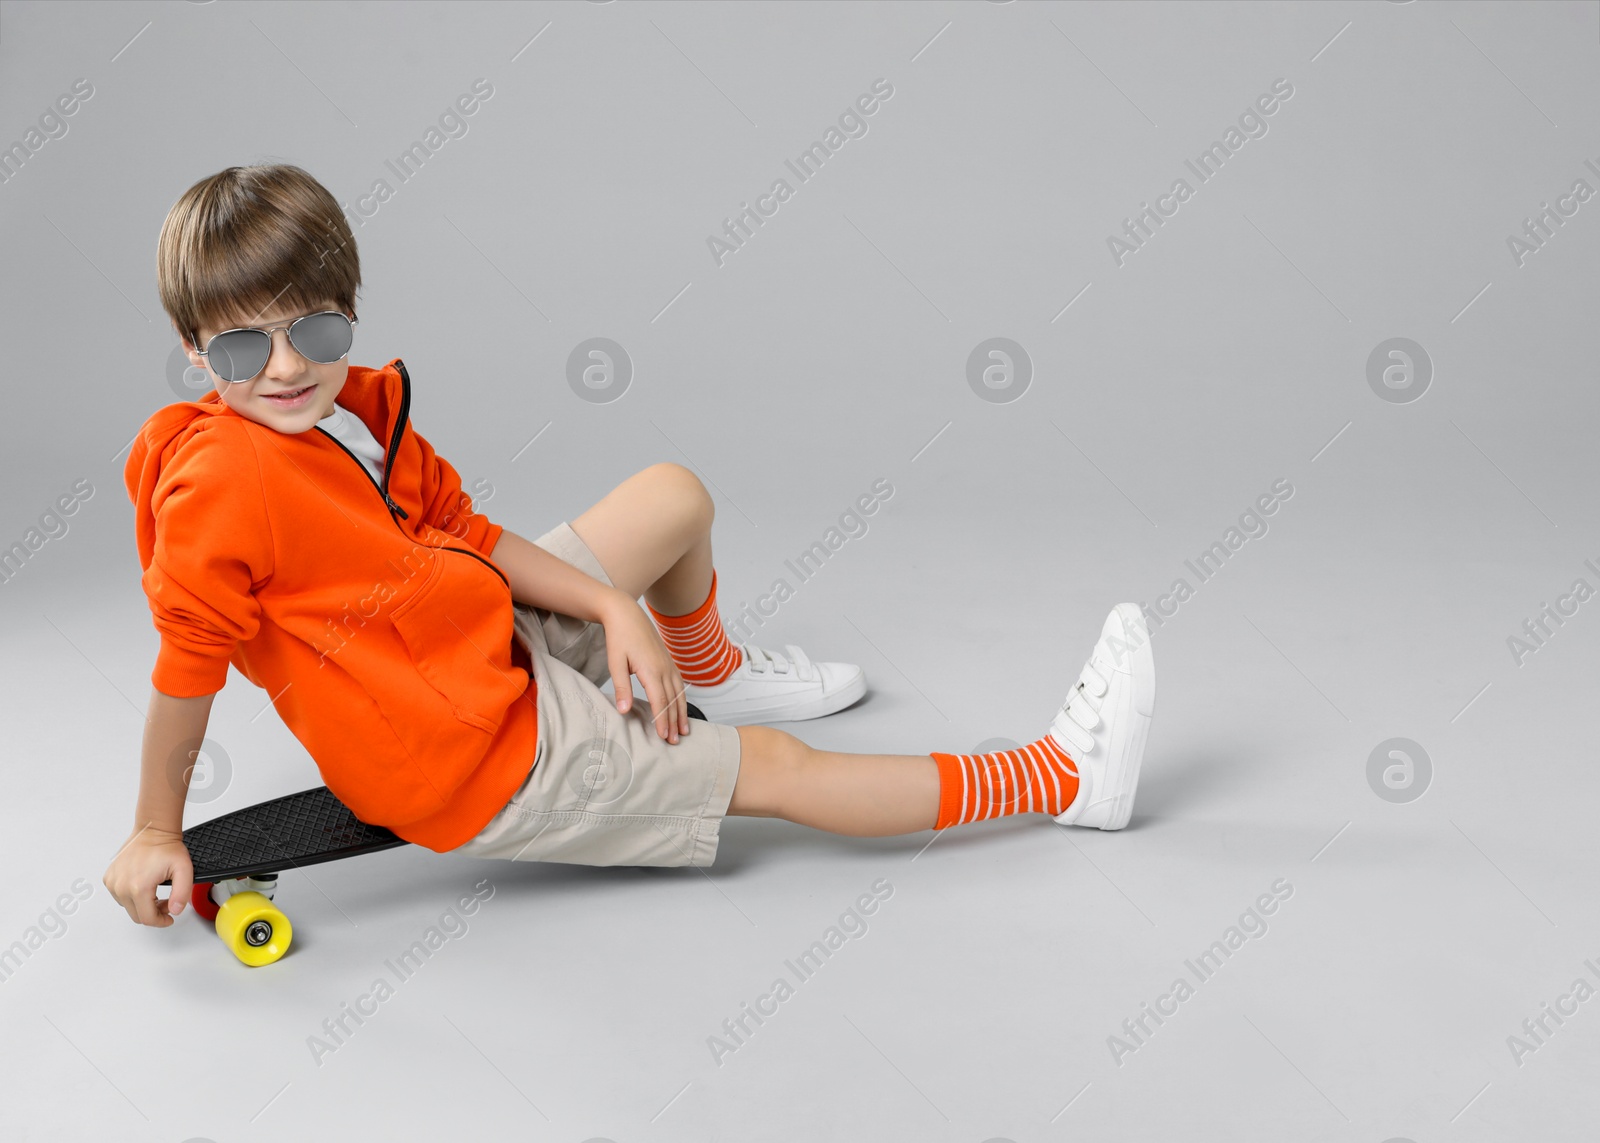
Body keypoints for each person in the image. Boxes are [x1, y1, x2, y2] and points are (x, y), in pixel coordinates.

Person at [102, 163, 1156, 928]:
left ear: (350, 315)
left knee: (672, 497)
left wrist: (613, 610)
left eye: (317, 332)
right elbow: (184, 676)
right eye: (245, 345)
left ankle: (713, 674)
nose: (288, 368)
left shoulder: (359, 412)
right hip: (480, 757)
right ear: (194, 350)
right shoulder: (224, 489)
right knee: (783, 773)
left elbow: (461, 534)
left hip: (471, 635)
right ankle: (1062, 779)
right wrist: (158, 828)